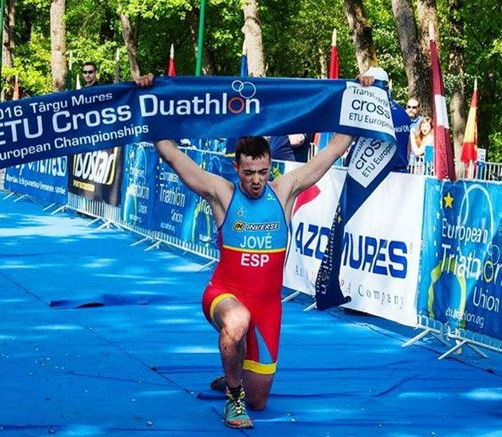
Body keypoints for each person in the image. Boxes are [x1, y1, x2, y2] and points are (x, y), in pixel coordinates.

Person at [135, 72, 376, 429]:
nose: (256, 180)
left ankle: (234, 377)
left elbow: (336, 147)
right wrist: (150, 98)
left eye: (263, 171)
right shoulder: (222, 194)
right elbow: (171, 155)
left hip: (267, 306)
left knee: (260, 400)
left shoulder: (285, 191)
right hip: (224, 295)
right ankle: (234, 398)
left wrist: (360, 96)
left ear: (270, 167)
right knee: (237, 322)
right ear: (237, 168)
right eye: (249, 172)